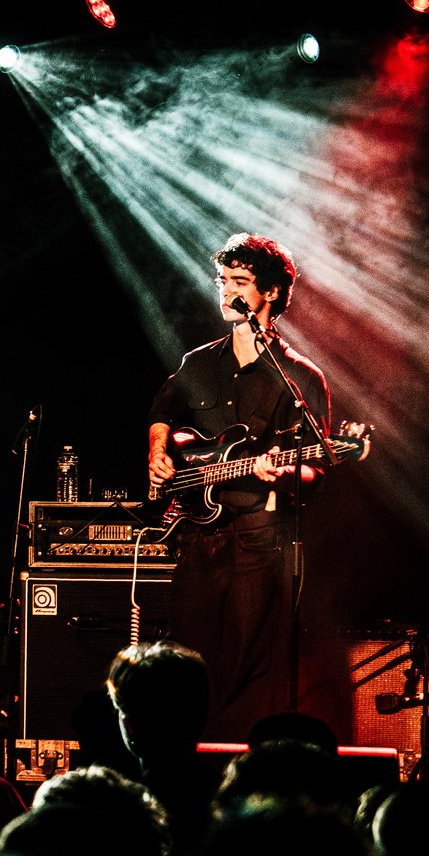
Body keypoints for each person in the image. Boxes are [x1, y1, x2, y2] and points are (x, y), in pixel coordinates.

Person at [146, 233, 334, 739]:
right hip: (197, 535)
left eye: (240, 282)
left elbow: (319, 467)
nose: (226, 291)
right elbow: (162, 413)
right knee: (187, 656)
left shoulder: (299, 377)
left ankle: (231, 765)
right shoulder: (199, 362)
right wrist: (158, 455)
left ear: (270, 293)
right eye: (222, 280)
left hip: (260, 535)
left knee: (248, 664)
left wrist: (285, 471)